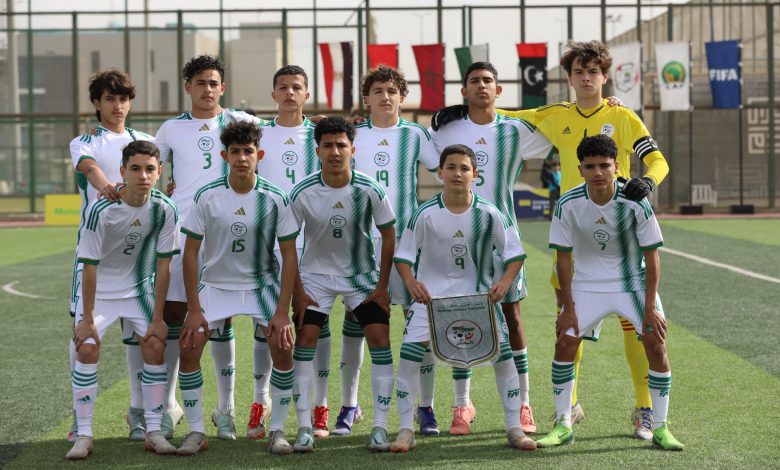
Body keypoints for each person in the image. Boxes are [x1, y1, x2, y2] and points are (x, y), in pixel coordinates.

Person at [432, 41, 670, 439]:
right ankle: (569, 409)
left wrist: (648, 181)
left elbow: (657, 160)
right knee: (570, 324)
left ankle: (644, 409)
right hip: (574, 234)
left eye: (593, 72)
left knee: (637, 328)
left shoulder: (623, 116)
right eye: (578, 72)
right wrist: (460, 110)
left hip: (620, 234)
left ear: (604, 76)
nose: (586, 78)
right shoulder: (557, 114)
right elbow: (502, 115)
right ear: (570, 78)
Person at [538, 134, 683, 451]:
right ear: (580, 169)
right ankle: (563, 424)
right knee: (565, 343)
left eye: (604, 165)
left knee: (656, 344)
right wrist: (568, 307)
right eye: (590, 166)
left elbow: (652, 257)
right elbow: (563, 258)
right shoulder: (568, 203)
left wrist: (650, 307)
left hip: (632, 282)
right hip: (587, 284)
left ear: (617, 166)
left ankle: (661, 427)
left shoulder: (635, 201)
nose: (598, 172)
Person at [430, 61, 553, 435]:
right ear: (464, 91)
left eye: (488, 81)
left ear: (498, 90)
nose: (481, 85)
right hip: (456, 238)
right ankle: (462, 405)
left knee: (512, 317)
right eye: (474, 81)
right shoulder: (447, 128)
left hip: (503, 239)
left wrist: (604, 106)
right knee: (458, 315)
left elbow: (564, 133)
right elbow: (417, 144)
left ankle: (524, 403)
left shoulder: (515, 130)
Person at [390, 144, 536, 453]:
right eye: (451, 167)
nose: (458, 173)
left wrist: (504, 283)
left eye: (464, 168)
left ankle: (514, 428)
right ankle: (405, 430)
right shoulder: (424, 213)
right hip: (432, 302)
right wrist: (411, 282)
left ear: (475, 174)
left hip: (479, 300)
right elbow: (403, 257)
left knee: (504, 357)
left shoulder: (489, 213)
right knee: (409, 357)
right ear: (439, 173)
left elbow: (515, 254)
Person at [154, 55, 265, 440]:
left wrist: (317, 122)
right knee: (175, 316)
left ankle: (225, 409)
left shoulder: (239, 122)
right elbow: (149, 163)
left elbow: (286, 129)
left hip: (227, 236)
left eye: (213, 83)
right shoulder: (171, 128)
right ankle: (169, 404)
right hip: (182, 234)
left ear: (223, 87)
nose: (207, 89)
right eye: (200, 82)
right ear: (188, 87)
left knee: (222, 319)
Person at [175, 121, 299, 456]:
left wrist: (282, 311)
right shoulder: (207, 195)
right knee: (188, 348)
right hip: (216, 286)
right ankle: (197, 430)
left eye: (248, 151)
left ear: (259, 155)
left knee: (283, 347)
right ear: (224, 156)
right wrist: (193, 308)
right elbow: (190, 252)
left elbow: (289, 255)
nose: (242, 158)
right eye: (235, 152)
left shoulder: (275, 197)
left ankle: (277, 430)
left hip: (261, 285)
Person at [336, 65, 442, 437]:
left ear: (402, 97)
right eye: (378, 91)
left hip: (408, 246)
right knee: (356, 324)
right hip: (362, 245)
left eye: (392, 91)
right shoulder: (353, 134)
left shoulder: (416, 134)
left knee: (420, 323)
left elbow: (446, 170)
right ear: (367, 98)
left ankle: (425, 407)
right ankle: (350, 405)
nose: (385, 96)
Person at [67, 140, 180, 460]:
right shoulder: (101, 209)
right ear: (122, 172)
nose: (143, 175)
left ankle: (154, 431)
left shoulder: (165, 208)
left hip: (138, 291)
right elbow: (88, 265)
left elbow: (164, 265)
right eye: (135, 169)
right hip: (99, 292)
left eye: (149, 169)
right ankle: (84, 435)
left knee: (155, 345)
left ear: (160, 172)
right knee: (87, 347)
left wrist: (158, 318)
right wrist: (87, 318)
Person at [288, 117, 396, 452]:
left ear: (353, 149)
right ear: (317, 150)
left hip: (360, 277)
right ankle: (304, 427)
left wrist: (382, 285)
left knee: (379, 339)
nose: (335, 152)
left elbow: (389, 234)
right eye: (328, 146)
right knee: (306, 339)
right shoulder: (302, 191)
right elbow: (287, 243)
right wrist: (297, 291)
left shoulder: (370, 189)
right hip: (316, 277)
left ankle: (380, 426)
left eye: (341, 145)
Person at [68, 69, 154, 442]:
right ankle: (79, 419)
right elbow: (89, 168)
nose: (117, 106)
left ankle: (139, 413)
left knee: (140, 338)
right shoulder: (84, 141)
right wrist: (107, 185)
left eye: (123, 99)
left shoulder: (145, 141)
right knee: (83, 336)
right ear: (96, 103)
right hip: (97, 255)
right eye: (109, 99)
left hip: (137, 255)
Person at [251, 65, 331, 439]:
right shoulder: (259, 133)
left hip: (314, 242)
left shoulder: (321, 135)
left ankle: (320, 405)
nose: (289, 93)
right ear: (273, 94)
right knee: (266, 324)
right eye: (282, 87)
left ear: (306, 94)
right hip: (268, 242)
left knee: (315, 322)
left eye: (296, 87)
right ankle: (260, 401)